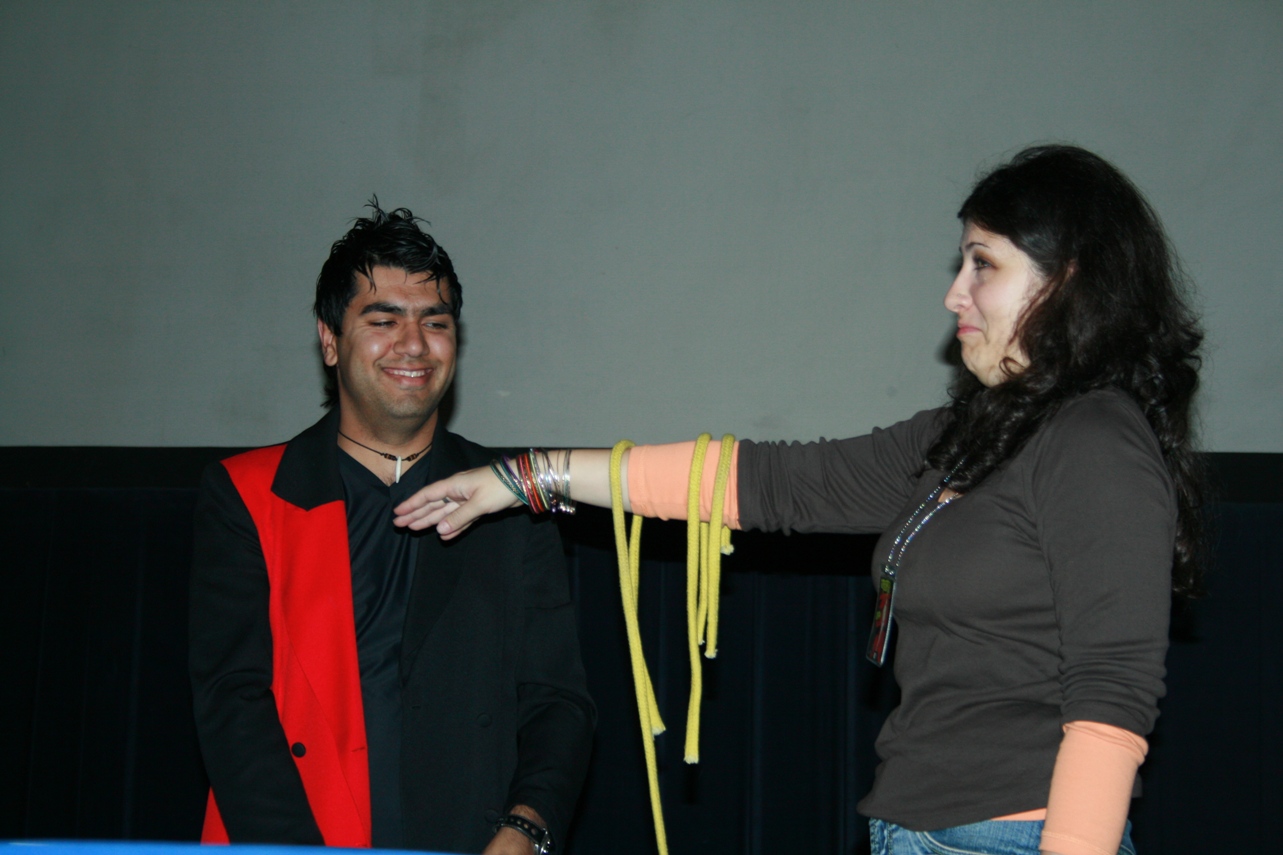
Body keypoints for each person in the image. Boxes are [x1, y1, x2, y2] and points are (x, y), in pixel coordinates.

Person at [393, 145, 1206, 855]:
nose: (954, 294)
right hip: (916, 828)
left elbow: (1111, 696)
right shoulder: (969, 434)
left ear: (1066, 280)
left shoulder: (1095, 438)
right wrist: (526, 476)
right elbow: (763, 482)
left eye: (982, 264)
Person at [189, 203, 595, 855]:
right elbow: (231, 703)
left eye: (435, 322)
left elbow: (557, 701)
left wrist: (526, 826)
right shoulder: (249, 493)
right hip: (293, 839)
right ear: (330, 340)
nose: (413, 344)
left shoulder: (510, 498)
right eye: (383, 321)